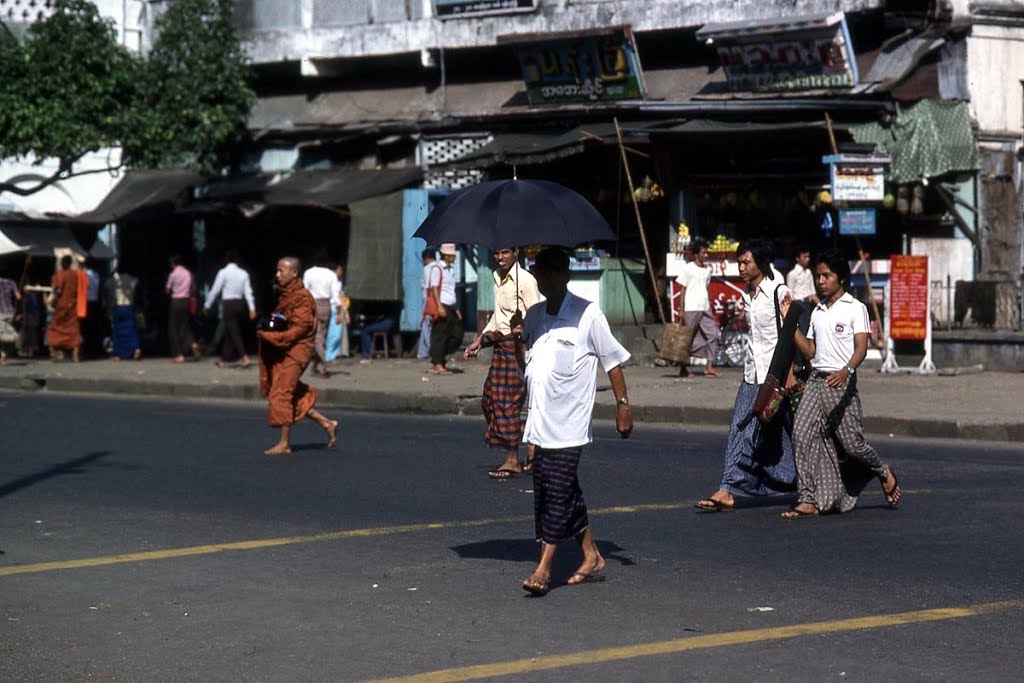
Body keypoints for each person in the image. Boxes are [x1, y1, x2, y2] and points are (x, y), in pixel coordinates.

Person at [514, 248, 633, 596]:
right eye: (539, 273)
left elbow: (612, 362)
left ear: (565, 275)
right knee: (557, 491)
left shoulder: (588, 314)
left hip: (570, 423)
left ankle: (544, 567)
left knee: (559, 490)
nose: (543, 279)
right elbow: (530, 368)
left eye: (550, 273)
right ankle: (591, 555)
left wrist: (623, 405)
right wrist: (518, 339)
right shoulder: (534, 316)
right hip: (540, 422)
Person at [783, 249, 901, 518]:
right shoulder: (817, 311)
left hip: (841, 384)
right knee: (800, 435)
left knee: (852, 445)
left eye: (827, 276)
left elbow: (862, 347)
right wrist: (791, 323)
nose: (821, 281)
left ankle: (883, 471)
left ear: (842, 279)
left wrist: (846, 371)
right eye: (818, 276)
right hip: (816, 381)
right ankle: (808, 498)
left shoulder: (855, 308)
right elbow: (810, 351)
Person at [695, 239, 796, 511]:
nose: (740, 267)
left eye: (745, 262)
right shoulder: (746, 294)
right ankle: (728, 488)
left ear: (760, 263)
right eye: (739, 262)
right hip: (752, 376)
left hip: (777, 377)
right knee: (741, 428)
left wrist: (788, 374)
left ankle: (821, 482)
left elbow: (790, 334)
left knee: (796, 434)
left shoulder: (779, 291)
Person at [464, 246, 540, 479]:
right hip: (501, 346)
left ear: (516, 252)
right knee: (490, 400)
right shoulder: (498, 279)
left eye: (505, 252)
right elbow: (498, 318)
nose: (500, 257)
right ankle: (527, 444)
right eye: (497, 253)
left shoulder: (526, 281)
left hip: (520, 347)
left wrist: (523, 326)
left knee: (509, 403)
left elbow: (536, 315)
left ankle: (513, 459)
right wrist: (480, 340)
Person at [257, 256, 339, 456]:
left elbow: (300, 329)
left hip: (298, 351)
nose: (277, 275)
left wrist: (273, 337)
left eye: (281, 271)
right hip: (286, 350)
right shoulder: (286, 294)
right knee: (291, 391)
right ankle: (327, 423)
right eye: (277, 271)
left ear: (294, 273)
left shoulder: (302, 297)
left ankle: (284, 444)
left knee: (282, 392)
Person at [675, 237, 722, 378]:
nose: (706, 255)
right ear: (696, 254)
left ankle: (709, 366)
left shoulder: (707, 271)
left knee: (713, 334)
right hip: (691, 308)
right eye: (703, 252)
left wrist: (710, 309)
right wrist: (681, 309)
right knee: (687, 339)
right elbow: (682, 290)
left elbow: (706, 290)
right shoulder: (688, 268)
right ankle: (683, 368)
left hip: (704, 307)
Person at [204, 249, 256, 369]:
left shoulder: (223, 272)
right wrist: (252, 308)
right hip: (240, 304)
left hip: (228, 304)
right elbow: (248, 292)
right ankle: (223, 359)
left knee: (233, 331)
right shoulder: (244, 273)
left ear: (226, 260)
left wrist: (207, 305)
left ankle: (244, 356)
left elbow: (215, 290)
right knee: (230, 331)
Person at [303, 249, 341, 378]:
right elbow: (336, 295)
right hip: (326, 306)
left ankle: (326, 364)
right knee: (321, 338)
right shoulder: (331, 275)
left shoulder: (309, 272)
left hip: (312, 305)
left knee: (316, 338)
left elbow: (304, 291)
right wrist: (339, 312)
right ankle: (314, 368)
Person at [427, 243, 463, 375]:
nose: (454, 257)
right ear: (446, 255)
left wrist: (456, 309)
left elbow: (450, 291)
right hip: (442, 306)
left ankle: (440, 359)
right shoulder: (437, 268)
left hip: (451, 307)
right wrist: (439, 306)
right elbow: (434, 288)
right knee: (440, 335)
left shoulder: (451, 270)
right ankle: (438, 364)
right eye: (452, 255)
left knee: (456, 335)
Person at [47, 255, 81, 362]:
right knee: (73, 329)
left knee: (55, 328)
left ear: (61, 264)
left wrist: (52, 301)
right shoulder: (75, 275)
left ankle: (53, 351)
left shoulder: (60, 275)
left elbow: (58, 290)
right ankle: (75, 355)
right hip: (73, 305)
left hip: (61, 305)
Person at [165, 255, 199, 363]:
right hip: (186, 301)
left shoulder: (173, 274)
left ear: (173, 264)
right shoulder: (188, 273)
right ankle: (193, 344)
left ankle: (178, 355)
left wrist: (170, 290)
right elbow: (193, 288)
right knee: (184, 326)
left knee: (173, 328)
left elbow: (167, 290)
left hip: (176, 302)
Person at [103, 268, 142, 361]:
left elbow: (106, 287)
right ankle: (136, 349)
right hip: (129, 306)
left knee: (118, 331)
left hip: (119, 307)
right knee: (131, 329)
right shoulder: (133, 279)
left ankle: (118, 354)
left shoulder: (114, 280)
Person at [417, 248, 439, 360]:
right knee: (430, 326)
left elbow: (427, 288)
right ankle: (422, 352)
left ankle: (429, 350)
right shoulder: (439, 267)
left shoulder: (427, 269)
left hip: (429, 301)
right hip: (438, 300)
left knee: (426, 326)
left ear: (426, 259)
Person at [325, 263, 350, 362]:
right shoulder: (332, 281)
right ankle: (328, 355)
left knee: (336, 333)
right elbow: (337, 297)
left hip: (337, 309)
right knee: (333, 334)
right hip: (333, 309)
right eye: (340, 269)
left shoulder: (338, 281)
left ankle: (333, 354)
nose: (341, 272)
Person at [0, 275, 19, 366]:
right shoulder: (11, 282)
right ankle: (3, 358)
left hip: (1, 313)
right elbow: (18, 297)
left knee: (2, 335)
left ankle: (14, 337)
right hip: (10, 312)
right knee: (4, 333)